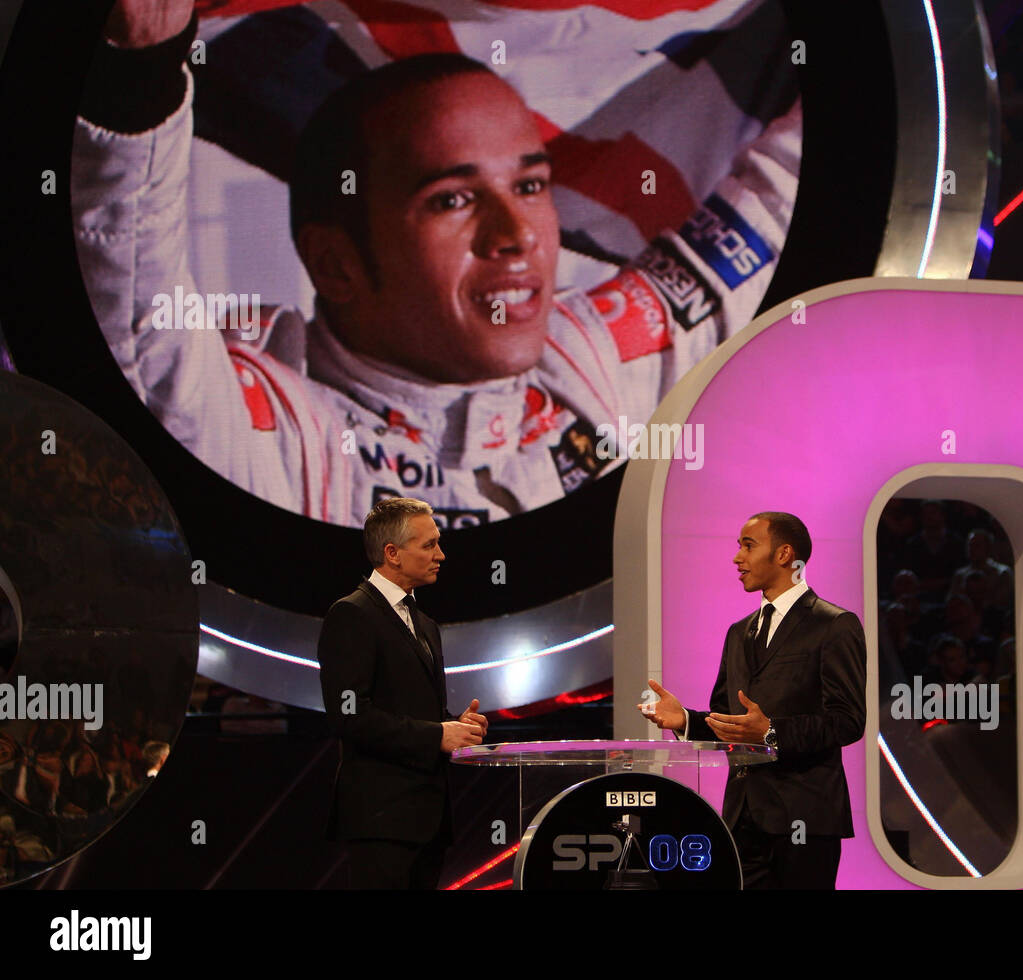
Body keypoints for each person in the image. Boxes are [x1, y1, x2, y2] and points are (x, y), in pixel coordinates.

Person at [72, 1, 800, 528]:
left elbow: (774, 204)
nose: (516, 234)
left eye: (530, 185)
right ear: (336, 264)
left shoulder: (590, 369)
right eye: (452, 199)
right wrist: (139, 75)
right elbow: (133, 318)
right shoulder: (274, 430)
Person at [641, 512, 867, 889]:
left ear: (784, 555)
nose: (737, 558)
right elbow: (731, 721)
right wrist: (684, 720)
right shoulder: (738, 633)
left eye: (748, 546)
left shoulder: (834, 624)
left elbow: (847, 721)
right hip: (743, 817)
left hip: (805, 820)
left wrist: (773, 732)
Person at [316, 496, 488, 889]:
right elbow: (350, 716)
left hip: (428, 818)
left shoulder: (425, 624)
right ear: (392, 553)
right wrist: (437, 735)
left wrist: (456, 726)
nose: (440, 555)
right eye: (429, 545)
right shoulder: (352, 614)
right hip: (381, 820)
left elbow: (416, 711)